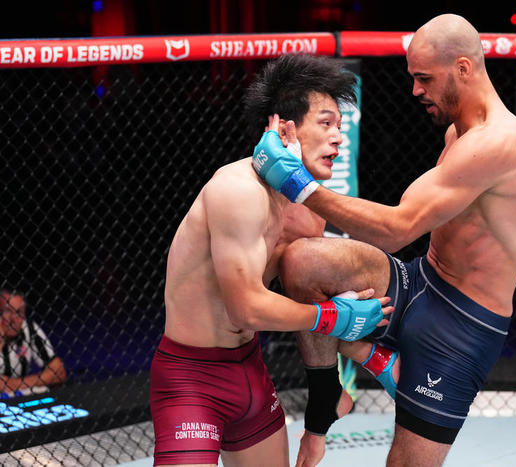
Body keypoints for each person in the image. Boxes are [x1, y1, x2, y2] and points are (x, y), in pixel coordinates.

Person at [253, 13, 516, 466]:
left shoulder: (499, 143)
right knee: (303, 262)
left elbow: (398, 228)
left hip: (461, 325)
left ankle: (370, 356)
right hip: (419, 282)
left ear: (463, 68)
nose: (415, 91)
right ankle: (335, 388)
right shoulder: (458, 132)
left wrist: (298, 185)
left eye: (424, 78)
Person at [149, 55, 393, 467]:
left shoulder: (306, 210)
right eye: (327, 124)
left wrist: (363, 351)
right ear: (284, 129)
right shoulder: (238, 190)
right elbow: (245, 308)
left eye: (340, 126)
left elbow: (305, 305)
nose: (338, 138)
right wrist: (333, 316)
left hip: (250, 372)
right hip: (192, 380)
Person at [0, 289, 66, 395]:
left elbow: (58, 372)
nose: (14, 319)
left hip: (19, 397)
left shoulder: (29, 329)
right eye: (7, 311)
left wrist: (16, 384)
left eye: (19, 312)